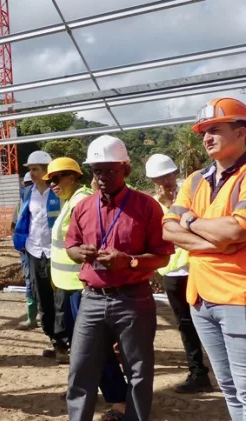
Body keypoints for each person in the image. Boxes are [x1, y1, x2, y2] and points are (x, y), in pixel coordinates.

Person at [65, 135, 174, 421]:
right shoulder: (84, 207)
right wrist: (81, 254)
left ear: (126, 169)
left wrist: (130, 261)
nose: (102, 176)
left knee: (139, 370)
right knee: (81, 369)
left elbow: (163, 256)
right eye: (97, 170)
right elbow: (71, 247)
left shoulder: (146, 206)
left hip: (133, 298)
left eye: (109, 170)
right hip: (92, 300)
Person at [162, 97, 246, 420]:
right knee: (227, 387)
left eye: (214, 130)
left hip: (237, 298)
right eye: (202, 133)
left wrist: (192, 222)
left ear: (241, 133)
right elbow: (168, 229)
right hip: (200, 299)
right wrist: (216, 241)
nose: (206, 137)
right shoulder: (197, 179)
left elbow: (234, 230)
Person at [46, 157, 128, 420]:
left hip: (80, 287)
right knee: (80, 346)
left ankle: (119, 399)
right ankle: (83, 388)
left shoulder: (82, 200)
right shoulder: (70, 201)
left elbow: (90, 243)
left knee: (95, 347)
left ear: (73, 176)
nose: (52, 184)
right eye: (50, 181)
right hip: (66, 285)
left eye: (57, 178)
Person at [145, 154, 212, 394]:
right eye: (159, 178)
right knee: (185, 324)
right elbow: (160, 234)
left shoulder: (193, 193)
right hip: (174, 272)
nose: (165, 181)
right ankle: (198, 373)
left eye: (168, 175)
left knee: (214, 319)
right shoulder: (154, 203)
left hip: (199, 267)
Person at [13, 151, 66, 361]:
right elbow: (22, 219)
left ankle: (64, 344)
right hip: (35, 251)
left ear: (47, 170)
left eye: (35, 169)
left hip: (56, 253)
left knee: (59, 300)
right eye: (31, 169)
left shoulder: (59, 194)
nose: (32, 174)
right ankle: (54, 340)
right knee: (42, 298)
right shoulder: (27, 194)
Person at [12, 171, 37, 329]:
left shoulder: (44, 200)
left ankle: (34, 317)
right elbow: (14, 225)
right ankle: (32, 317)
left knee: (35, 282)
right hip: (26, 249)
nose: (27, 189)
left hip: (36, 249)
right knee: (30, 281)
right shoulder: (22, 202)